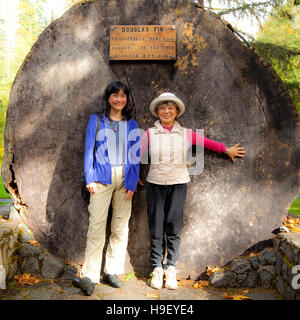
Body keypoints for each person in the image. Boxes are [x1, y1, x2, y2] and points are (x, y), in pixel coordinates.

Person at [140, 92, 245, 290]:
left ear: (177, 112)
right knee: (156, 227)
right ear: (157, 112)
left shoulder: (186, 133)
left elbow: (207, 143)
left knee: (173, 226)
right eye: (162, 108)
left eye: (170, 107)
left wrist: (226, 150)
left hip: (178, 183)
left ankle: (170, 267)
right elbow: (137, 156)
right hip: (155, 184)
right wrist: (133, 175)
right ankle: (157, 268)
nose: (166, 111)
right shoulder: (149, 134)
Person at [73, 81, 140, 295]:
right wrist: (89, 177)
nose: (119, 99)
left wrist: (132, 182)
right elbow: (88, 151)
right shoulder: (97, 120)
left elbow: (136, 156)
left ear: (126, 99)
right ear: (108, 98)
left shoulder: (132, 124)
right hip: (101, 178)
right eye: (115, 95)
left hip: (124, 179)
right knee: (97, 226)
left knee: (120, 227)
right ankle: (90, 275)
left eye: (123, 95)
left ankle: (111, 270)